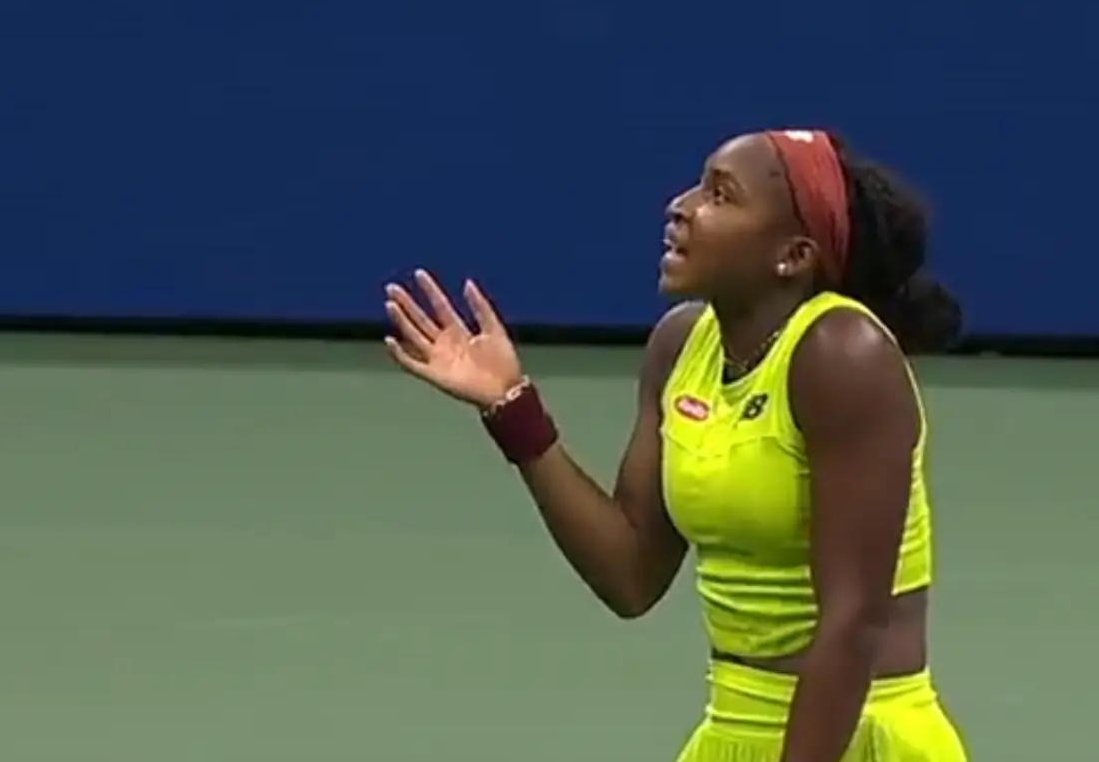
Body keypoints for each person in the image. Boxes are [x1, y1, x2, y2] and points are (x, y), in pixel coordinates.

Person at [385, 130, 968, 762]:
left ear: (792, 255)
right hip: (730, 730)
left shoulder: (842, 355)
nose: (681, 206)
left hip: (856, 735)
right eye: (698, 184)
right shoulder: (681, 344)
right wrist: (512, 407)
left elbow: (854, 621)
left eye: (721, 195)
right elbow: (630, 575)